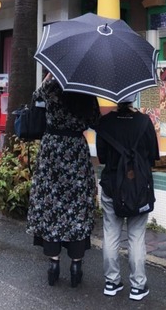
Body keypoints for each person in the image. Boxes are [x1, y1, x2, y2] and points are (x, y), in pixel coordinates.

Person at [26, 72, 100, 288]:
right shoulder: (86, 93)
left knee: (51, 204)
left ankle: (54, 262)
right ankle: (76, 264)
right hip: (76, 150)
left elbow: (35, 97)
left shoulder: (51, 88)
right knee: (76, 206)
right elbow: (95, 122)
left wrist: (49, 76)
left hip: (52, 151)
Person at [95, 96, 160, 301]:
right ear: (133, 99)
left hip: (112, 188)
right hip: (138, 190)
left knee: (111, 234)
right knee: (136, 237)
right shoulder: (144, 121)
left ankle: (111, 282)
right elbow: (153, 156)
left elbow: (103, 157)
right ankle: (138, 286)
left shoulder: (104, 123)